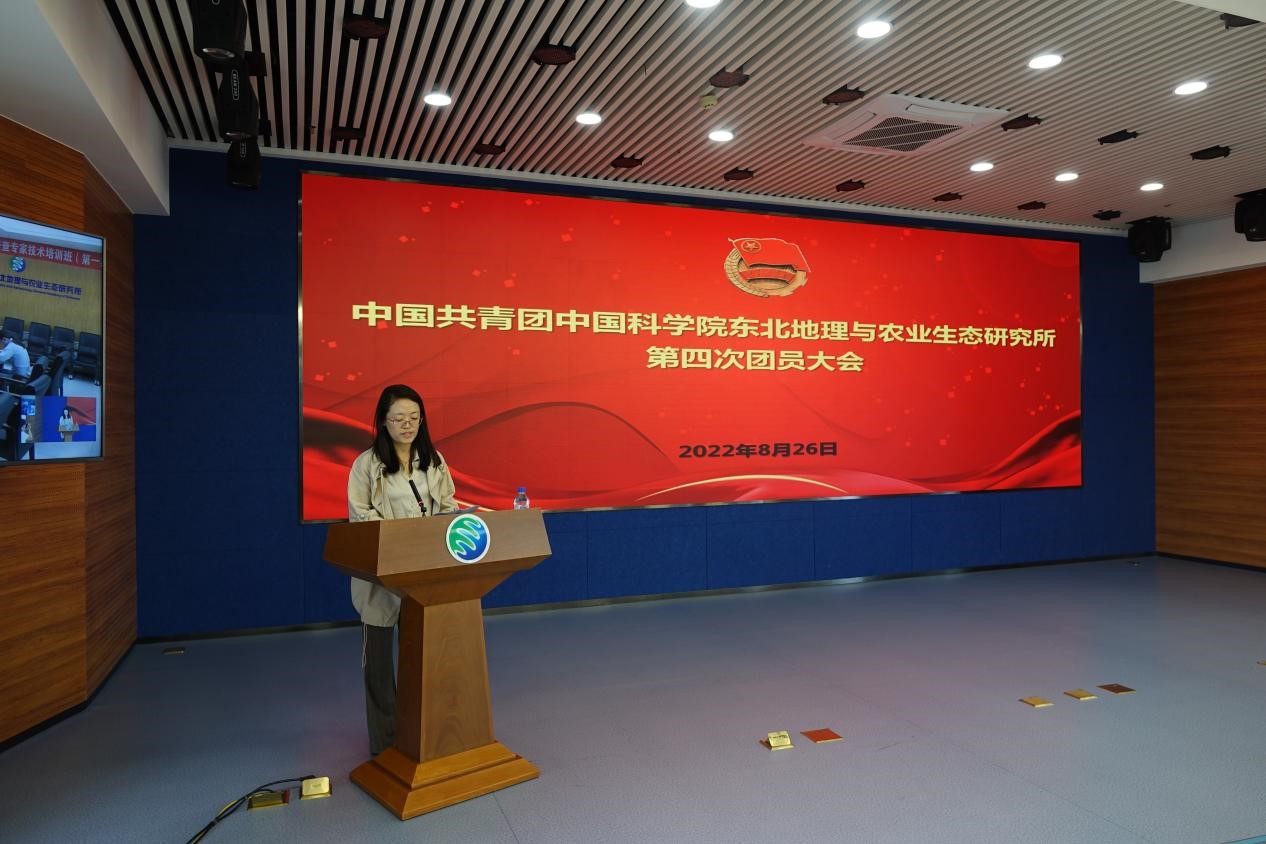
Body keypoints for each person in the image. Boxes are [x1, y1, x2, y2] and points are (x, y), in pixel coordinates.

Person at [346, 384, 456, 756]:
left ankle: (420, 734)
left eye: (414, 418)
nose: (407, 425)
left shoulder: (434, 461)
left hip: (424, 576)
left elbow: (447, 507)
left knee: (421, 659)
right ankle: (385, 745)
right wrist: (402, 542)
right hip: (381, 579)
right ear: (383, 421)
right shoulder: (366, 465)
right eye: (398, 419)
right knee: (378, 666)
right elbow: (360, 518)